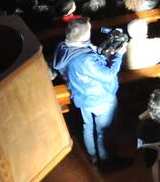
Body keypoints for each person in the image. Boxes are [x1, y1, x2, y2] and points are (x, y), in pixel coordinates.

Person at [51, 18, 123, 166]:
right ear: (84, 36)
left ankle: (94, 157)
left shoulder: (63, 47)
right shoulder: (85, 59)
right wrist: (119, 55)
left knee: (88, 126)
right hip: (99, 97)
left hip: (81, 95)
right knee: (103, 132)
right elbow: (108, 74)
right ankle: (107, 161)